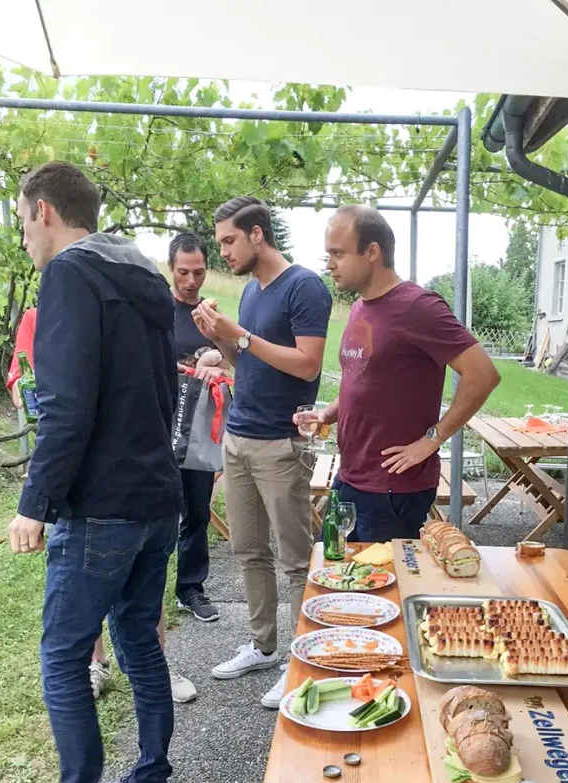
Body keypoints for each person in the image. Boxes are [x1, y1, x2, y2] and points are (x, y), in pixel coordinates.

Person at [7, 160, 182, 783]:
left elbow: (67, 406)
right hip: (155, 501)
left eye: (23, 223)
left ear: (46, 211)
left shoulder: (72, 275)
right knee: (138, 643)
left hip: (102, 509)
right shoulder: (142, 276)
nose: (24, 239)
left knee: (62, 656)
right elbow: (167, 395)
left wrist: (34, 503)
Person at [7, 305, 196, 705]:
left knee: (142, 579)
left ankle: (154, 662)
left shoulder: (116, 311)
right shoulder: (37, 317)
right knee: (82, 583)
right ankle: (97, 665)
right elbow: (20, 384)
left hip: (121, 476)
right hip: (66, 474)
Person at [193, 196, 332, 709]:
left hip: (280, 443)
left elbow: (308, 366)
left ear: (257, 235)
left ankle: (304, 660)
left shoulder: (304, 287)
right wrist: (222, 340)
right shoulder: (251, 291)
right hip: (239, 436)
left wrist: (241, 336)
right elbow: (246, 362)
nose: (223, 251)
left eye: (229, 240)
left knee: (295, 560)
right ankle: (263, 644)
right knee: (247, 550)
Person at [296, 205, 500, 540]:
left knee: (380, 588)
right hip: (350, 476)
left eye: (338, 253)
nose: (329, 263)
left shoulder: (419, 307)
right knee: (337, 578)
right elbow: (360, 379)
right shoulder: (360, 307)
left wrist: (431, 440)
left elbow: (483, 374)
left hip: (392, 491)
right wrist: (328, 413)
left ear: (372, 251)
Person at [168, 232, 221, 629]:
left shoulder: (210, 316)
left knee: (198, 512)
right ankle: (147, 588)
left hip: (198, 432)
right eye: (183, 272)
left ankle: (191, 589)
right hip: (156, 428)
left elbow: (234, 361)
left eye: (198, 272)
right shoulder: (155, 310)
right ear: (171, 269)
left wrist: (216, 352)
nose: (191, 280)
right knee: (156, 513)